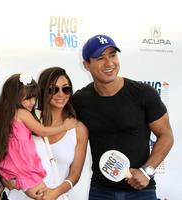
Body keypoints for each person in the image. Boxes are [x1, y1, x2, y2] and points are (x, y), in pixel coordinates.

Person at [72, 34, 174, 200]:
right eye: (100, 58)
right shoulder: (80, 100)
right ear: (86, 64)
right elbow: (55, 128)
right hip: (100, 191)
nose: (109, 63)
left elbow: (166, 135)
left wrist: (146, 171)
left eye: (113, 55)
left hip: (142, 192)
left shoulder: (143, 93)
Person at [0, 73, 77, 199]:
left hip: (25, 176)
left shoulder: (9, 117)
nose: (32, 102)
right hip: (24, 177)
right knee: (42, 195)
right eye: (53, 89)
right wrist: (65, 126)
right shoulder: (23, 113)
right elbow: (42, 131)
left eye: (66, 89)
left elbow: (75, 174)